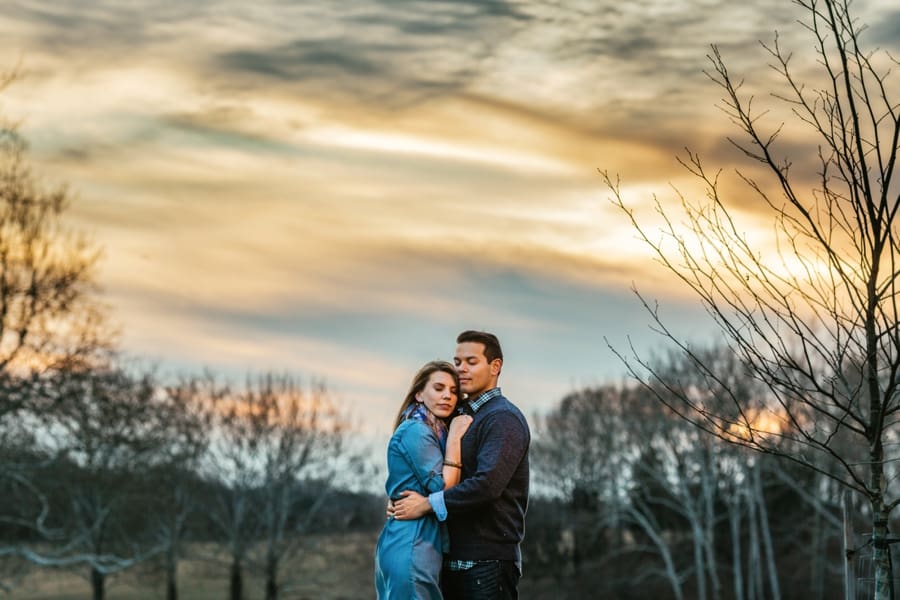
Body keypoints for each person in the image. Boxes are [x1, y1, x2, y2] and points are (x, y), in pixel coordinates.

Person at [393, 330, 530, 600]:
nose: (461, 369)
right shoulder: (456, 416)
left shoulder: (503, 419)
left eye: (471, 361)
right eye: (457, 362)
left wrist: (426, 504)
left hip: (487, 562)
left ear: (495, 366)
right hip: (448, 558)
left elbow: (487, 485)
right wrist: (400, 502)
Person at [375, 360, 473, 599]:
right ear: (418, 394)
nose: (447, 396)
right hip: (413, 543)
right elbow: (444, 488)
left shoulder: (434, 430)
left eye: (453, 391)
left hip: (418, 539)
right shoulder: (416, 430)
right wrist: (454, 441)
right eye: (438, 388)